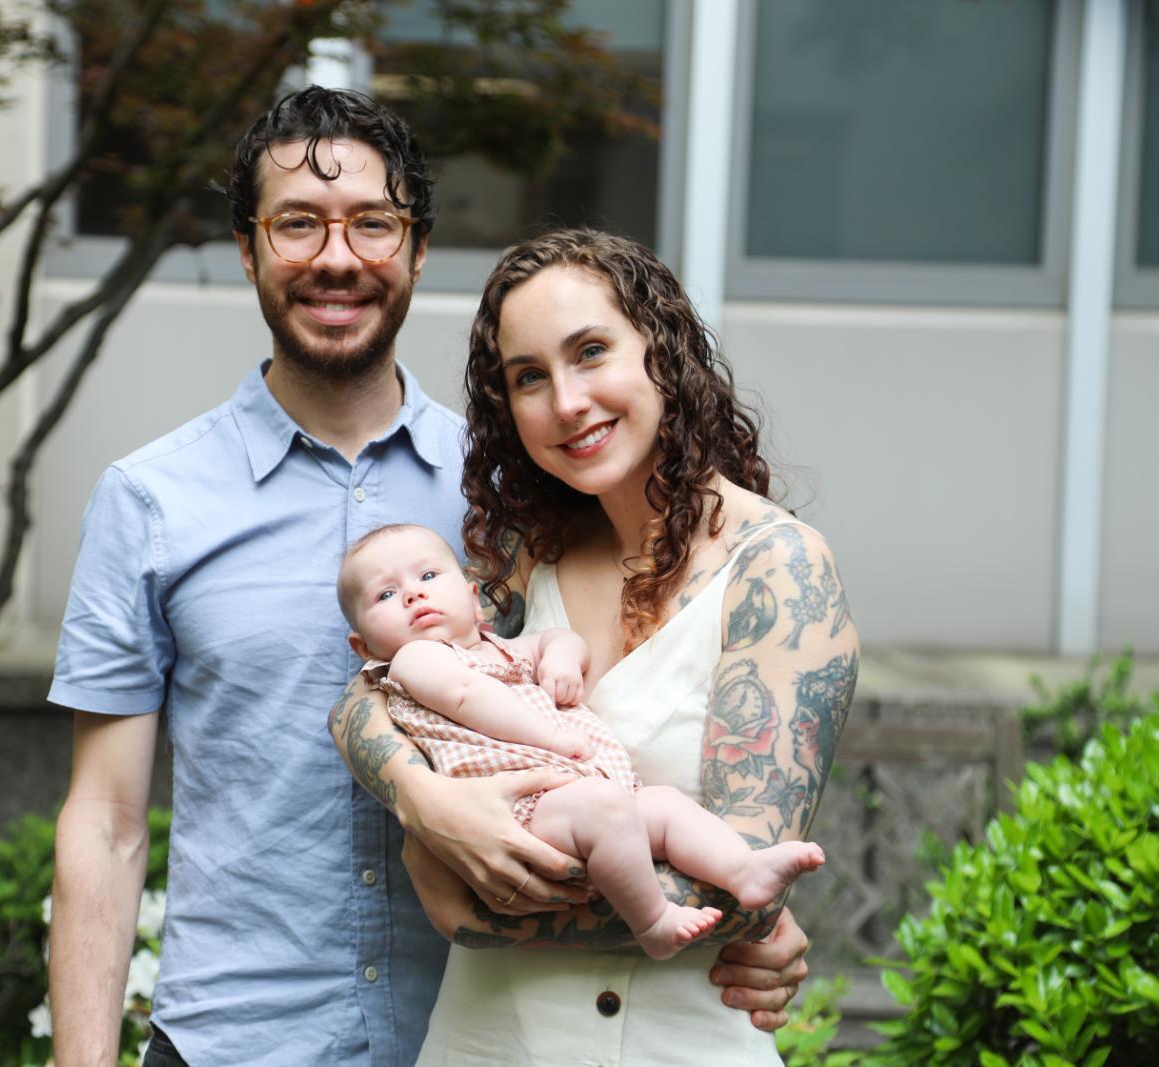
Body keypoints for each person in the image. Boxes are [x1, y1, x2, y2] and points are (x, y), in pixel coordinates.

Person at [47, 86, 809, 1067]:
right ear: (248, 249)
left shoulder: (525, 485)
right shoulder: (148, 502)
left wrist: (737, 904)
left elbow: (642, 685)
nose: (337, 256)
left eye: (373, 223)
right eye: (297, 225)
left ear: (414, 249)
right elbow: (104, 820)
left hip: (475, 1035)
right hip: (235, 1038)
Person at [330, 229, 858, 1065]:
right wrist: (418, 800)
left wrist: (466, 897)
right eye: (529, 376)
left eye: (591, 352)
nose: (567, 401)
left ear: (663, 350)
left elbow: (745, 886)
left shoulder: (776, 571)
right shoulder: (523, 553)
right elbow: (371, 690)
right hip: (484, 1043)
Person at [336, 523, 826, 961]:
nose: (412, 597)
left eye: (427, 577)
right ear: (362, 645)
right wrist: (549, 734)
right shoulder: (413, 661)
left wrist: (561, 661)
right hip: (520, 810)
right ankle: (653, 921)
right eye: (384, 596)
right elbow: (467, 696)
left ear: (473, 596)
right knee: (607, 809)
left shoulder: (501, 648)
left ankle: (741, 870)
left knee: (664, 806)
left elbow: (556, 639)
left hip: (586, 798)